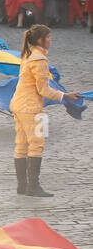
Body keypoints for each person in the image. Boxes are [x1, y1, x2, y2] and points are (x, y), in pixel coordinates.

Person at [9, 25, 81, 197]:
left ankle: (22, 187)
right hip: (32, 107)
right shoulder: (40, 59)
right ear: (40, 40)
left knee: (21, 145)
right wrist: (65, 95)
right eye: (48, 37)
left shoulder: (28, 54)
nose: (50, 40)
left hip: (18, 105)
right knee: (37, 145)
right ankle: (33, 187)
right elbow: (44, 90)